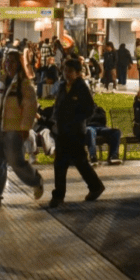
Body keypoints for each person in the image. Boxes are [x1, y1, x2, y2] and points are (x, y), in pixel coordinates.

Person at [0, 51, 44, 208]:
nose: (9, 64)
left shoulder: (24, 84)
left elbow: (30, 107)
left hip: (14, 129)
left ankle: (36, 181)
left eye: (13, 61)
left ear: (19, 64)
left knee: (15, 161)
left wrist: (25, 128)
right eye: (7, 61)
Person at [50, 58, 104, 208]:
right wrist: (55, 120)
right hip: (62, 131)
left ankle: (95, 186)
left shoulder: (81, 87)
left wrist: (76, 119)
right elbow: (57, 105)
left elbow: (90, 109)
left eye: (70, 71)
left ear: (78, 73)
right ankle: (58, 195)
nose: (66, 73)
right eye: (64, 70)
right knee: (60, 164)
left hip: (75, 132)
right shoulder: (62, 86)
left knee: (80, 162)